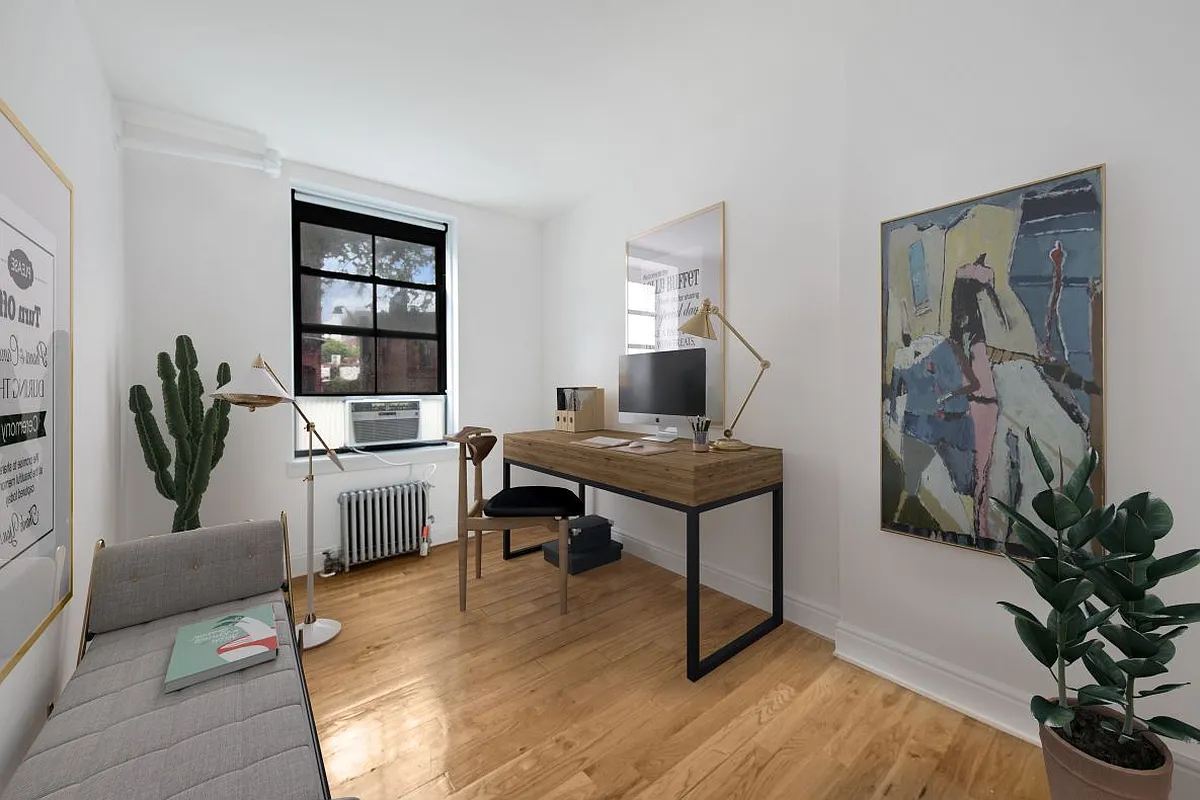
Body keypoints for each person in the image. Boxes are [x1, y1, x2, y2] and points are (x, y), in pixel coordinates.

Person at [940, 253, 1009, 545]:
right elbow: (978, 380)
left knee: (979, 473)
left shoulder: (961, 340)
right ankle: (979, 530)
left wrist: (950, 395)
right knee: (981, 473)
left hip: (981, 404)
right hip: (985, 404)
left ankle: (979, 530)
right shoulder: (972, 338)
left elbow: (973, 382)